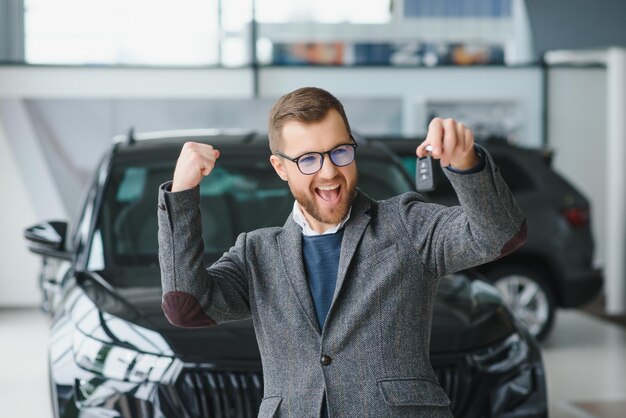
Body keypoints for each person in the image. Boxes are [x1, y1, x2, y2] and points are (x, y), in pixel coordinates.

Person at [157, 87, 527, 418]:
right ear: (280, 168)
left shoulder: (407, 225)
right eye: (308, 160)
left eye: (340, 151)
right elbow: (185, 307)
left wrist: (466, 163)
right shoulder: (256, 254)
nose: (330, 171)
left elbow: (499, 236)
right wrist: (182, 194)